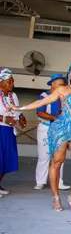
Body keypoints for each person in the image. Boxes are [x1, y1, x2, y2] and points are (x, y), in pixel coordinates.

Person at [9, 62, 71, 213]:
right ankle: (55, 197)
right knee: (56, 162)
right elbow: (42, 102)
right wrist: (20, 108)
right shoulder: (62, 89)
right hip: (61, 128)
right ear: (69, 74)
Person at [34, 74, 71, 191]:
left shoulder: (63, 97)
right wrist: (54, 118)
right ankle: (40, 181)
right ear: (53, 84)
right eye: (60, 85)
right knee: (44, 156)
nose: (62, 87)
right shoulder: (44, 96)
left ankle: (59, 182)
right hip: (46, 128)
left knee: (59, 157)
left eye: (63, 85)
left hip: (60, 129)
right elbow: (40, 112)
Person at [0, 68, 27, 197]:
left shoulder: (13, 96)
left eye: (12, 81)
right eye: (9, 81)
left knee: (7, 159)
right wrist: (4, 118)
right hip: (0, 129)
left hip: (9, 131)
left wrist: (21, 117)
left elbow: (17, 109)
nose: (12, 84)